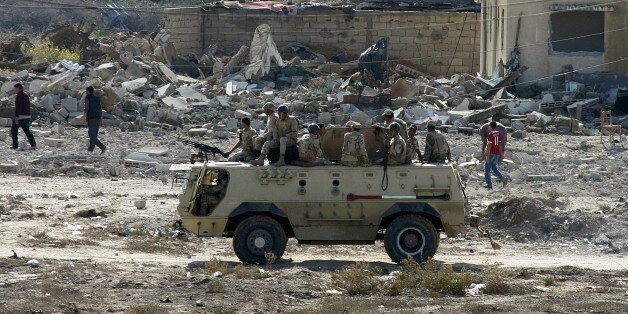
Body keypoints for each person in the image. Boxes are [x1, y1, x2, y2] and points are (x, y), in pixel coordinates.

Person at [11, 83, 37, 150]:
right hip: (27, 116)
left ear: (18, 88)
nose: (15, 90)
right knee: (27, 131)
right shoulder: (25, 95)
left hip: (20, 117)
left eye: (15, 88)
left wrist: (16, 117)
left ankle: (15, 146)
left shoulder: (19, 96)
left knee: (14, 131)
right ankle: (33, 145)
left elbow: (18, 107)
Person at [483, 121, 508, 189]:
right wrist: (501, 154)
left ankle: (489, 184)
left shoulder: (491, 134)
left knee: (487, 170)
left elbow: (489, 145)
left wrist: (487, 155)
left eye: (489, 126)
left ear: (491, 127)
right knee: (494, 168)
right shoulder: (498, 134)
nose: (488, 127)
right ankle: (503, 179)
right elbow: (500, 145)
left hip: (491, 153)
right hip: (496, 154)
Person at [82, 86, 106, 154]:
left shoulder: (87, 98)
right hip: (98, 118)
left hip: (91, 119)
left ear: (88, 91)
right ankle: (90, 150)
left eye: (86, 92)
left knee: (92, 135)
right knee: (94, 135)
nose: (86, 93)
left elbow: (86, 109)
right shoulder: (97, 98)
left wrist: (84, 118)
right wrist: (101, 120)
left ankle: (102, 147)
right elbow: (100, 109)